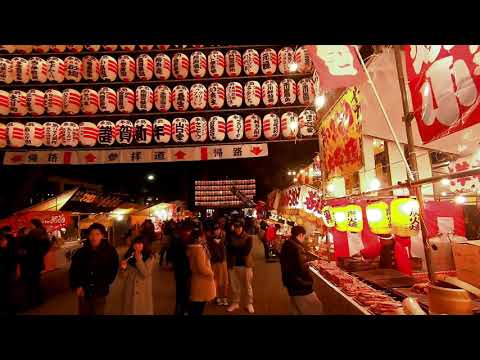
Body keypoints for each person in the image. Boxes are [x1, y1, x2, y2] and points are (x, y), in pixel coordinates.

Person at [69, 223, 119, 315]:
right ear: (88, 235)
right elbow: (74, 270)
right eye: (91, 234)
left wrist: (105, 282)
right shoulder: (81, 252)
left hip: (100, 291)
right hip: (84, 291)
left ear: (102, 235)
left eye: (97, 234)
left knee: (98, 311)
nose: (94, 237)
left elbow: (113, 269)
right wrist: (77, 285)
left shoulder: (110, 251)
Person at [280, 226, 323, 315]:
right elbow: (301, 269)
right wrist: (310, 281)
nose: (304, 239)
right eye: (304, 236)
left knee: (295, 309)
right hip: (299, 285)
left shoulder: (287, 244)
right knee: (315, 308)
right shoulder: (297, 248)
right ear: (300, 235)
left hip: (290, 282)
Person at [119, 236, 155, 315]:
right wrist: (123, 268)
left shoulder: (150, 257)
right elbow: (122, 276)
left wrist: (139, 259)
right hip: (130, 290)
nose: (137, 246)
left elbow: (145, 273)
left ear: (144, 245)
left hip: (143, 291)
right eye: (135, 243)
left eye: (140, 244)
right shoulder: (128, 256)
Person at [226, 220, 254, 313]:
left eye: (239, 227)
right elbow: (229, 250)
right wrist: (239, 249)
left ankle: (249, 303)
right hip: (233, 265)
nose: (238, 229)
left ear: (242, 228)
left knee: (247, 285)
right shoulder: (230, 237)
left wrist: (235, 249)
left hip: (245, 265)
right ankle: (235, 303)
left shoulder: (249, 238)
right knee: (234, 286)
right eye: (236, 227)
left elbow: (246, 251)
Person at [186, 227, 216, 316]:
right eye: (203, 237)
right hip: (202, 280)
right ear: (198, 238)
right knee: (199, 306)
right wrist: (211, 273)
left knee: (196, 305)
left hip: (197, 279)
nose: (204, 238)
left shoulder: (192, 248)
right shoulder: (198, 249)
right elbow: (201, 267)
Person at [21, 219, 51, 308]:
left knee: (32, 283)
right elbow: (46, 246)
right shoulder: (42, 233)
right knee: (35, 282)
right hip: (36, 261)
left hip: (31, 262)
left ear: (35, 225)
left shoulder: (34, 233)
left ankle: (33, 301)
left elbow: (25, 244)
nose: (29, 226)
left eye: (30, 224)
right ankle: (38, 300)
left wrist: (25, 235)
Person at [167, 221, 192, 315]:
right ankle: (181, 309)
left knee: (183, 290)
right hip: (182, 268)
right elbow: (172, 251)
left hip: (183, 269)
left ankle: (181, 309)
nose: (188, 233)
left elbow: (171, 252)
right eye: (187, 231)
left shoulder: (179, 239)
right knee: (183, 291)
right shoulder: (179, 239)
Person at [207, 223, 229, 306]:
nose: (217, 231)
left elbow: (228, 250)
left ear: (220, 230)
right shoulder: (210, 240)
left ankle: (225, 297)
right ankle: (217, 297)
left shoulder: (224, 239)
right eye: (215, 230)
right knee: (216, 281)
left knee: (225, 281)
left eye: (218, 229)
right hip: (215, 263)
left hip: (223, 262)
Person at [0, 233, 19, 314]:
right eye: (5, 240)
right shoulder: (4, 251)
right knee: (9, 292)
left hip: (6, 273)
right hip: (6, 273)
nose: (6, 242)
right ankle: (11, 308)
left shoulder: (5, 250)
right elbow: (10, 260)